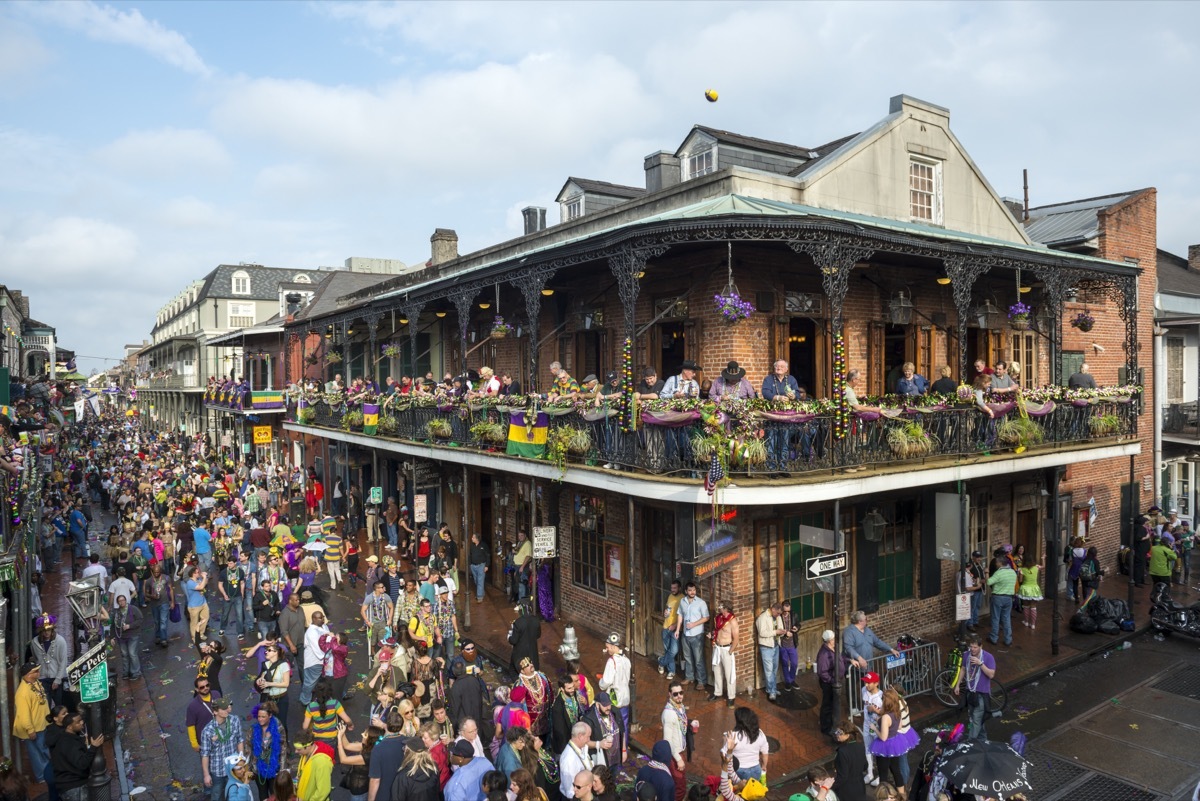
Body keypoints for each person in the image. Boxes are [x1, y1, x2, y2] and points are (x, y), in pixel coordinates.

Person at [50, 712, 104, 801]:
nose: (82, 722)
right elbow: (82, 763)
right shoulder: (69, 743)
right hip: (74, 787)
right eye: (78, 722)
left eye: (81, 720)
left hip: (71, 785)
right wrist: (93, 747)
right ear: (69, 727)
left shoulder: (67, 738)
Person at [13, 663, 50, 784]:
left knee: (43, 750)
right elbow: (23, 714)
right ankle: (42, 777)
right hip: (33, 729)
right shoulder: (22, 692)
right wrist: (30, 730)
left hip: (41, 725)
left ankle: (48, 773)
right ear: (28, 675)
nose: (38, 673)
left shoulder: (36, 683)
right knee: (37, 754)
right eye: (36, 671)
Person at [200, 698, 244, 801]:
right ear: (215, 712)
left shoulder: (234, 720)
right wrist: (206, 775)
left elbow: (239, 740)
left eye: (227, 707)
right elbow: (205, 754)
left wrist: (241, 760)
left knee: (234, 796)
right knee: (217, 797)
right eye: (223, 709)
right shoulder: (207, 731)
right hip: (218, 771)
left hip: (233, 768)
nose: (227, 710)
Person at [954, 635, 996, 741]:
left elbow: (991, 675)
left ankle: (969, 743)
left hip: (981, 694)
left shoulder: (988, 657)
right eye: (971, 646)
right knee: (974, 718)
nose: (972, 649)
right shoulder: (967, 655)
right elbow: (963, 669)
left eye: (975, 647)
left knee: (976, 719)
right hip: (970, 692)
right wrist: (958, 684)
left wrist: (980, 664)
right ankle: (983, 740)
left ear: (981, 647)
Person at [26, 616, 68, 706]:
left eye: (49, 630)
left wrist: (57, 679)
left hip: (56, 678)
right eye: (44, 630)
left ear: (52, 629)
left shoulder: (60, 641)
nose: (46, 633)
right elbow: (36, 659)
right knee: (45, 706)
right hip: (42, 679)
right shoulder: (34, 642)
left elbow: (63, 662)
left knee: (59, 706)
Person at [368, 709, 409, 801]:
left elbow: (375, 780)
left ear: (386, 725)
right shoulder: (408, 742)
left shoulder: (378, 749)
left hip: (384, 795)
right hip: (404, 793)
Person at [677, 582, 709, 691]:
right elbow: (680, 615)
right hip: (685, 634)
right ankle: (689, 677)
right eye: (690, 590)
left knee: (698, 659)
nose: (692, 592)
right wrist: (678, 629)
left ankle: (701, 681)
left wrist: (694, 624)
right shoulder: (682, 601)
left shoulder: (701, 603)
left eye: (694, 590)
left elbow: (706, 617)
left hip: (697, 635)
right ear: (686, 591)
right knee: (687, 657)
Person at [336, 722, 381, 801]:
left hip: (360, 789)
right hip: (357, 784)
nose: (362, 734)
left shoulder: (369, 756)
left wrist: (339, 739)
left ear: (370, 739)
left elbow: (343, 759)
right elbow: (347, 745)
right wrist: (342, 733)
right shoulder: (367, 746)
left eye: (365, 734)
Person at [250, 703, 285, 801]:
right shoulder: (253, 729)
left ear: (270, 716)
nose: (260, 719)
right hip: (259, 768)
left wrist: (282, 769)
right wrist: (249, 767)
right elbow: (248, 748)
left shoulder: (278, 728)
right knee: (262, 795)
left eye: (263, 717)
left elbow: (283, 749)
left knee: (275, 795)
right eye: (259, 716)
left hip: (274, 768)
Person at [598, 633, 632, 735]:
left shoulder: (611, 661)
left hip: (615, 700)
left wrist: (601, 682)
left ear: (613, 646)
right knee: (624, 727)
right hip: (625, 698)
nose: (606, 650)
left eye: (607, 647)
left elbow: (606, 682)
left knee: (614, 728)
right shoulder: (626, 660)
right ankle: (624, 748)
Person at [724, 707, 769, 782]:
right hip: (756, 769)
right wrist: (764, 766)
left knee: (739, 791)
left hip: (739, 770)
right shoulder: (760, 733)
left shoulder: (732, 736)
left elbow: (726, 755)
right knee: (752, 790)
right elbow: (765, 753)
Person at [816, 629, 847, 737]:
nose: (835, 640)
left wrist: (848, 660)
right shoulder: (824, 655)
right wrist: (832, 681)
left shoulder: (833, 649)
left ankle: (831, 723)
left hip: (834, 681)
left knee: (832, 704)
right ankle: (826, 727)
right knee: (827, 705)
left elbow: (840, 658)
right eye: (833, 639)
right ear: (829, 640)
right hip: (829, 684)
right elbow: (822, 672)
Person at [707, 601, 738, 707]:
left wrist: (730, 651)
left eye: (720, 607)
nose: (718, 608)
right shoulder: (718, 618)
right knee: (717, 671)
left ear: (726, 609)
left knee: (729, 674)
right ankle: (717, 692)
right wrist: (712, 637)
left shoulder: (732, 621)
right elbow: (716, 632)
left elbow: (736, 638)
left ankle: (731, 696)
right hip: (717, 648)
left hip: (726, 649)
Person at [831, 720, 869, 801]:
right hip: (860, 787)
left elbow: (843, 777)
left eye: (840, 732)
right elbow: (865, 766)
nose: (837, 735)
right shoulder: (860, 745)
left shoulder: (842, 751)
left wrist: (830, 786)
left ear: (848, 735)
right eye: (836, 732)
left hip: (847, 790)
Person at [754, 603, 784, 702]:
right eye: (777, 613)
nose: (778, 616)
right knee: (769, 670)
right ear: (773, 609)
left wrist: (782, 632)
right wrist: (775, 632)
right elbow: (762, 633)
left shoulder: (778, 617)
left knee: (774, 669)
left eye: (780, 614)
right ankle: (771, 691)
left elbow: (780, 626)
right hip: (766, 647)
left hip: (775, 645)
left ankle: (772, 688)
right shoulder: (762, 618)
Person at [300, 609, 330, 706]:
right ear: (313, 619)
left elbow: (329, 639)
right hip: (315, 661)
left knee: (331, 678)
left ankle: (337, 695)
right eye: (320, 618)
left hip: (326, 660)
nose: (323, 619)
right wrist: (324, 656)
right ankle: (305, 700)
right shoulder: (311, 632)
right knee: (310, 682)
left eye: (323, 617)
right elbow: (317, 647)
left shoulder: (323, 626)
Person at [293, 731, 335, 801]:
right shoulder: (305, 753)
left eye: (299, 749)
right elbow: (300, 774)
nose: (295, 751)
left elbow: (323, 791)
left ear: (308, 746)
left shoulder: (322, 763)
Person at [987, 554, 1017, 647]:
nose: (996, 564)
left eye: (997, 562)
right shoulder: (1012, 572)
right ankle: (1008, 639)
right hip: (1009, 598)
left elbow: (989, 582)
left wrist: (986, 573)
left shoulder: (998, 573)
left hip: (998, 597)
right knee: (1006, 618)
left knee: (995, 618)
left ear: (1000, 563)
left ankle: (994, 638)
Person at [559, 723, 595, 798]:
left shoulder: (580, 747)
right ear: (580, 736)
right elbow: (570, 791)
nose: (589, 740)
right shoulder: (569, 759)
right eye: (588, 737)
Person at [113, 594, 144, 679]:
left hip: (133, 634)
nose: (122, 602)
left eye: (123, 600)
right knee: (124, 654)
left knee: (132, 653)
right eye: (120, 601)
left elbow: (140, 619)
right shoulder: (117, 612)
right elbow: (114, 625)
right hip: (122, 637)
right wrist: (113, 637)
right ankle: (126, 672)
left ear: (126, 601)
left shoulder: (133, 609)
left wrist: (130, 626)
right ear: (118, 603)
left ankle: (136, 672)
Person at [187, 676, 221, 751]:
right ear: (197, 689)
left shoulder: (216, 694)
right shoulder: (192, 706)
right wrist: (194, 744)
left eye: (207, 685)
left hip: (221, 735)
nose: (206, 688)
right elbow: (190, 726)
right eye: (202, 687)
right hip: (206, 742)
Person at [658, 579, 684, 680]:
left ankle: (661, 662)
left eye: (675, 588)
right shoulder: (670, 596)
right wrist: (665, 613)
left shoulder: (683, 599)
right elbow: (668, 609)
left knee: (673, 651)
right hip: (666, 627)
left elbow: (683, 616)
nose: (672, 590)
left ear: (679, 588)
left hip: (675, 629)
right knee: (668, 650)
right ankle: (671, 671)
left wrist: (675, 625)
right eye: (672, 588)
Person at [660, 682, 688, 771]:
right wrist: (678, 759)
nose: (679, 696)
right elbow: (667, 740)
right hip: (674, 754)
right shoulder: (669, 714)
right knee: (679, 782)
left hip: (680, 750)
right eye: (675, 694)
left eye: (681, 693)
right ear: (670, 694)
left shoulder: (679, 706)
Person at [509, 600, 542, 675]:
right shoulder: (536, 620)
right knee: (533, 671)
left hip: (520, 653)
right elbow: (538, 635)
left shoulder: (518, 622)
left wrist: (509, 637)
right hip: (533, 651)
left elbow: (513, 640)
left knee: (514, 671)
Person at [958, 551, 986, 631]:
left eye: (980, 557)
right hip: (975, 590)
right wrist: (979, 581)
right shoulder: (970, 566)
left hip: (980, 588)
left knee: (977, 606)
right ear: (973, 557)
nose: (979, 559)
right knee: (972, 607)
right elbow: (971, 578)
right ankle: (970, 624)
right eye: (977, 557)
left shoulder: (979, 565)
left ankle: (975, 621)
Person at [1018, 553, 1044, 630]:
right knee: (1033, 607)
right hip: (1034, 588)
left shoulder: (1022, 569)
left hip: (1025, 588)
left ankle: (1026, 622)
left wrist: (1019, 575)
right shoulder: (1036, 567)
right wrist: (1043, 558)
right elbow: (1043, 566)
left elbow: (1020, 580)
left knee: (1026, 606)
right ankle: (1033, 624)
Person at [1150, 533, 1177, 599]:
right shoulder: (1167, 550)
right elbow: (1174, 557)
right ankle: (1164, 599)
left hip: (1153, 572)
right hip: (1163, 573)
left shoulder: (1153, 548)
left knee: (1156, 585)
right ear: (1168, 543)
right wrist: (1171, 549)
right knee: (1165, 587)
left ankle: (1154, 597)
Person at [469, 532, 489, 603]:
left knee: (480, 580)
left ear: (477, 539)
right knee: (476, 580)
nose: (472, 539)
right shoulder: (472, 545)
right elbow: (470, 555)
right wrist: (470, 564)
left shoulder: (483, 545)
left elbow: (488, 555)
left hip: (481, 565)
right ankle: (482, 592)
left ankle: (479, 596)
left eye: (473, 537)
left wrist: (487, 566)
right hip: (473, 565)